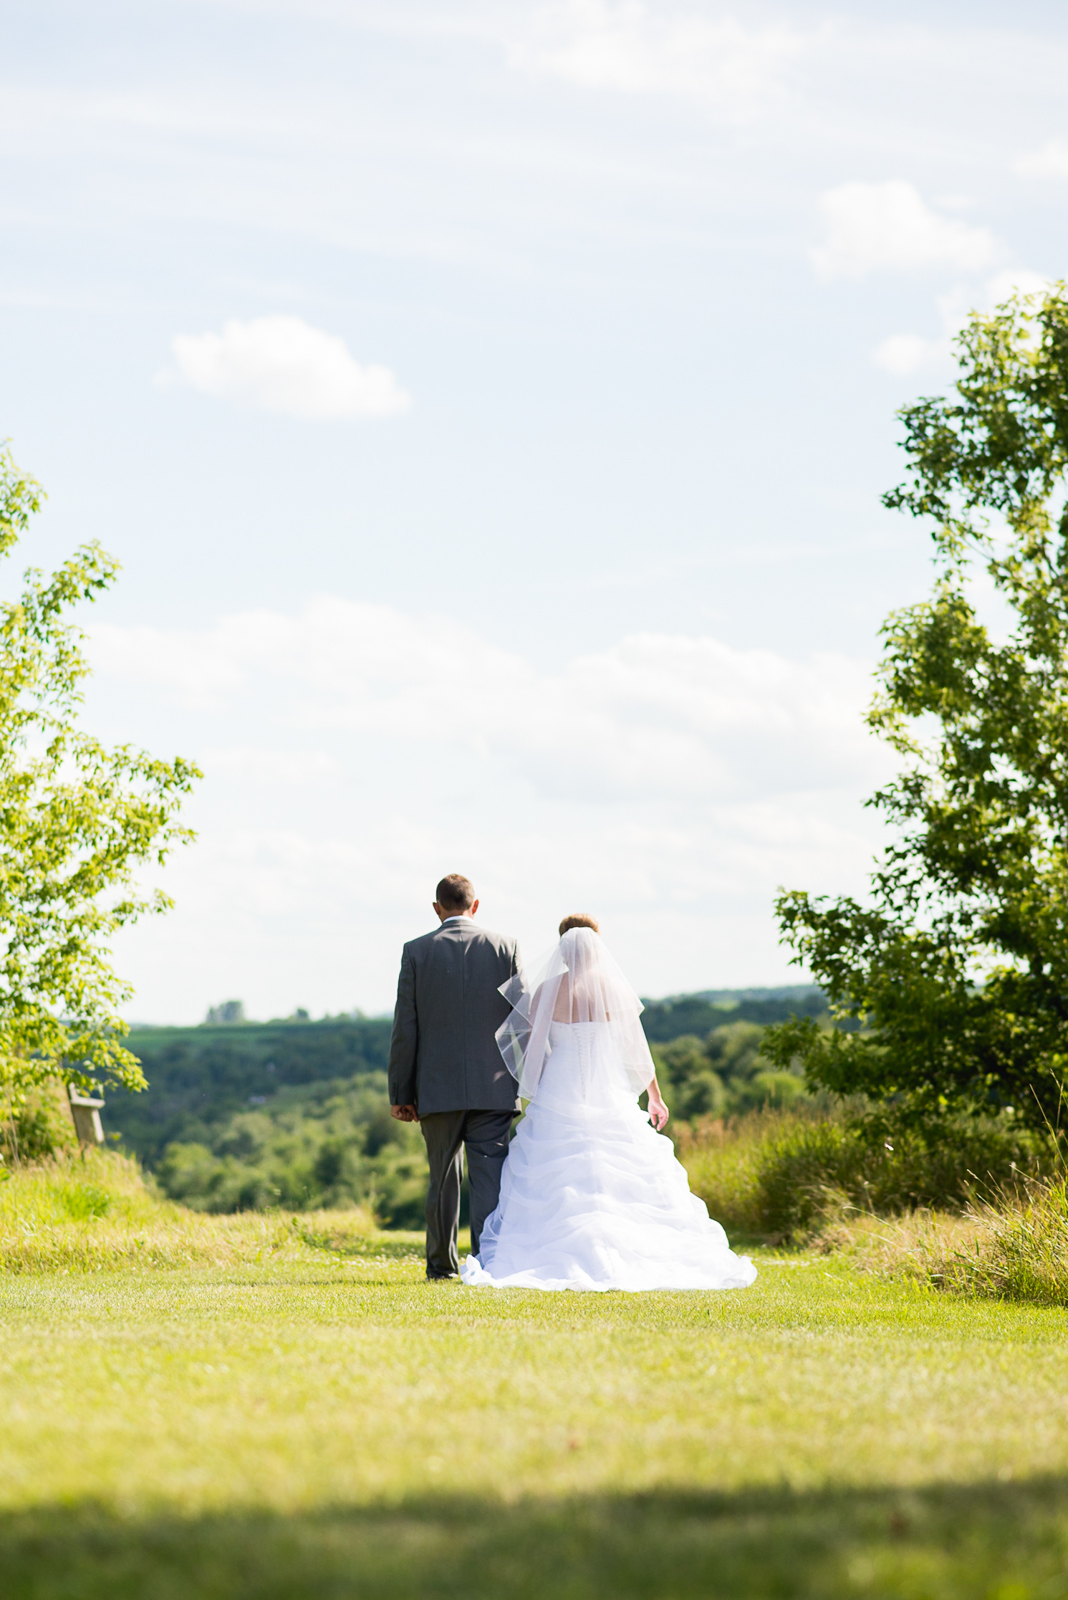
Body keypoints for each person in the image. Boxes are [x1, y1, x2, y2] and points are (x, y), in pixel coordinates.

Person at [461, 915, 757, 1292]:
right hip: (608, 1086)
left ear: (562, 950)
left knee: (554, 1162)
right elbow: (636, 1049)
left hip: (560, 1084)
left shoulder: (547, 989)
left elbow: (531, 1048)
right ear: (597, 947)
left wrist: (532, 1086)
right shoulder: (614, 988)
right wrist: (654, 1095)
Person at [388, 874, 521, 1280]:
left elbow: (405, 1027)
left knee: (442, 1180)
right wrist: (524, 1081)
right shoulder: (506, 948)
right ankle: (489, 1262)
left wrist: (401, 1092)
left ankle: (441, 1266)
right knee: (490, 1181)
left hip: (436, 1087)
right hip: (494, 1087)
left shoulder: (416, 951)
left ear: (437, 908)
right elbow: (522, 1021)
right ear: (475, 905)